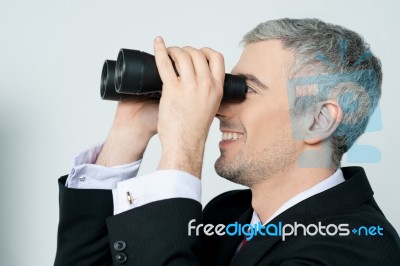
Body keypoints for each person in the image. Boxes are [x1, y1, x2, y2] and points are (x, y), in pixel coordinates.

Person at [54, 18, 400, 265]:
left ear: (319, 120)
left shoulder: (358, 248)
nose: (217, 108)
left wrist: (182, 148)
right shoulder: (228, 214)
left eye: (244, 89)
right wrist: (130, 131)